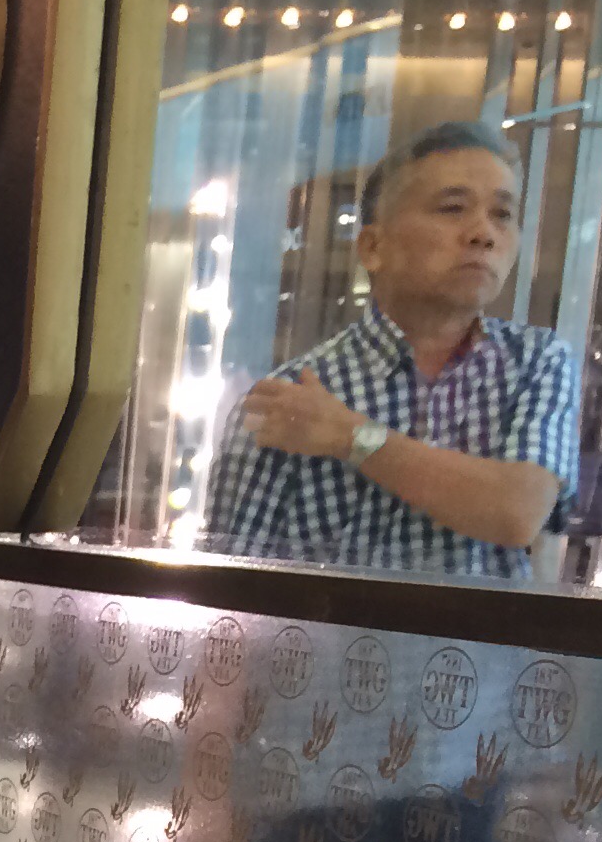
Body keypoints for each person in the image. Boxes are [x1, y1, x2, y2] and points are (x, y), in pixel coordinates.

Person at [200, 120, 581, 579]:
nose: (483, 233)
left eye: (502, 214)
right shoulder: (292, 398)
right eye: (453, 208)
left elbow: (517, 512)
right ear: (373, 247)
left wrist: (350, 436)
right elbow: (227, 580)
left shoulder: (536, 362)